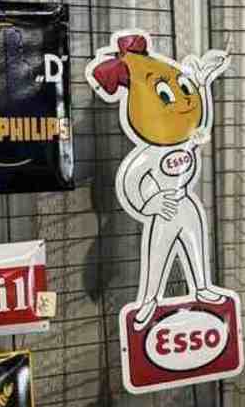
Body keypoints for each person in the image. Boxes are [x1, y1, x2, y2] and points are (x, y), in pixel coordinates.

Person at [88, 35, 229, 329]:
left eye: (184, 89)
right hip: (163, 210)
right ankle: (149, 300)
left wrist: (203, 84)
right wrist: (150, 202)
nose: (183, 101)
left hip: (186, 203)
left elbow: (202, 126)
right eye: (165, 95)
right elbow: (130, 181)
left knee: (196, 245)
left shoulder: (187, 140)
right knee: (156, 256)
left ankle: (202, 286)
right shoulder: (150, 154)